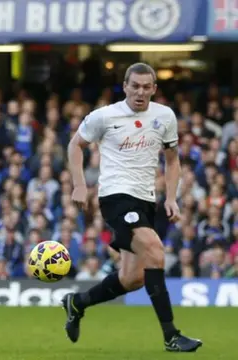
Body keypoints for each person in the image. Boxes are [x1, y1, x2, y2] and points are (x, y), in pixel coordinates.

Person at [65, 63, 202, 352]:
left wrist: (171, 197)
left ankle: (77, 303)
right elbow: (75, 145)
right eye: (135, 86)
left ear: (154, 88)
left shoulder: (164, 116)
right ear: (125, 86)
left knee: (133, 278)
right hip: (115, 196)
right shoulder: (104, 116)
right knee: (155, 251)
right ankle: (171, 336)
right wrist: (79, 184)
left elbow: (173, 159)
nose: (140, 92)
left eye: (146, 87)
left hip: (146, 199)